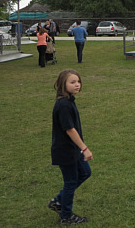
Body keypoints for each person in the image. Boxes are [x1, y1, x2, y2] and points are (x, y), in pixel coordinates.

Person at [48, 69, 93, 225]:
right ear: (63, 84)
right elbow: (69, 129)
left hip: (74, 149)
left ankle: (59, 201)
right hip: (65, 151)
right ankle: (66, 216)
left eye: (78, 81)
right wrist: (84, 148)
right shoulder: (64, 105)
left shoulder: (69, 101)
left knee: (85, 172)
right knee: (71, 181)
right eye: (72, 82)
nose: (77, 85)